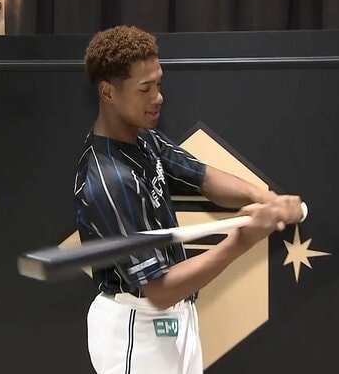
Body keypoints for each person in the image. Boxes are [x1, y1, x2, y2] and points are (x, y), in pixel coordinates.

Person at [74, 25, 304, 374]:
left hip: (174, 317)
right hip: (137, 327)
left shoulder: (144, 139)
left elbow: (203, 177)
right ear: (108, 92)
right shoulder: (108, 180)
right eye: (145, 89)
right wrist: (241, 242)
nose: (158, 98)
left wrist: (266, 198)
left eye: (159, 84)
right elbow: (158, 289)